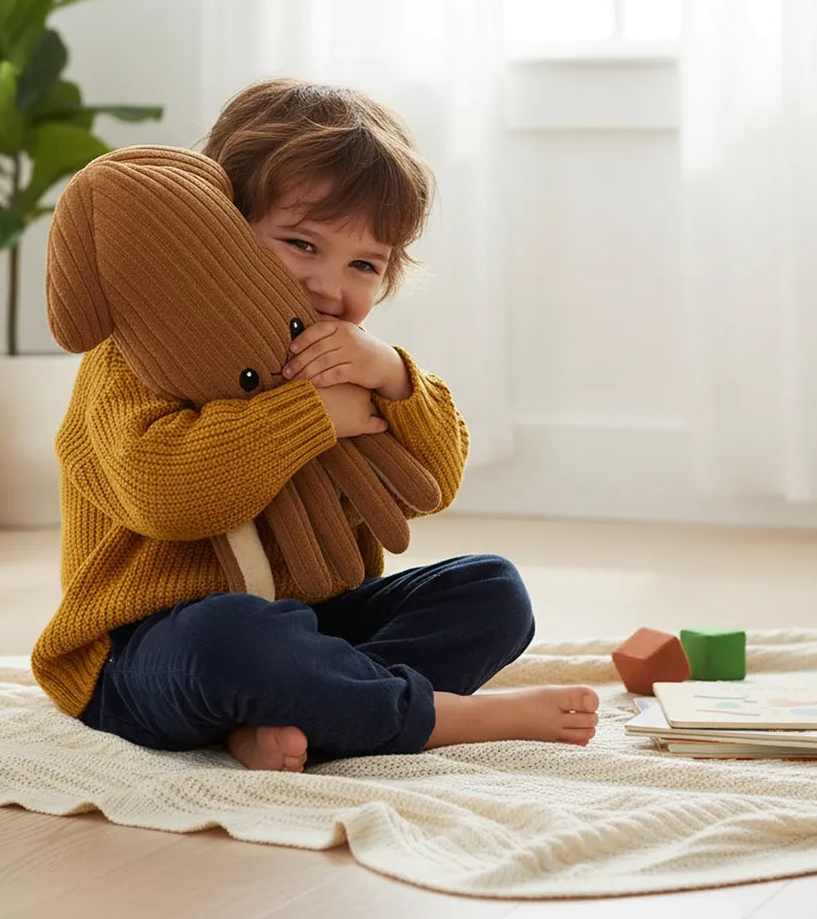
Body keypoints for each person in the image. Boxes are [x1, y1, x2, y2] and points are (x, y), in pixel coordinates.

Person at [31, 79, 599, 772]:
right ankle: (433, 717)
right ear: (225, 230)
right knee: (233, 639)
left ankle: (296, 710)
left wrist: (393, 375)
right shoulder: (132, 360)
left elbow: (434, 482)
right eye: (302, 245)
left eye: (365, 264)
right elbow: (170, 497)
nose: (332, 286)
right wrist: (308, 416)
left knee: (493, 591)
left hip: (313, 622)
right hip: (145, 648)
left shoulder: (346, 358)